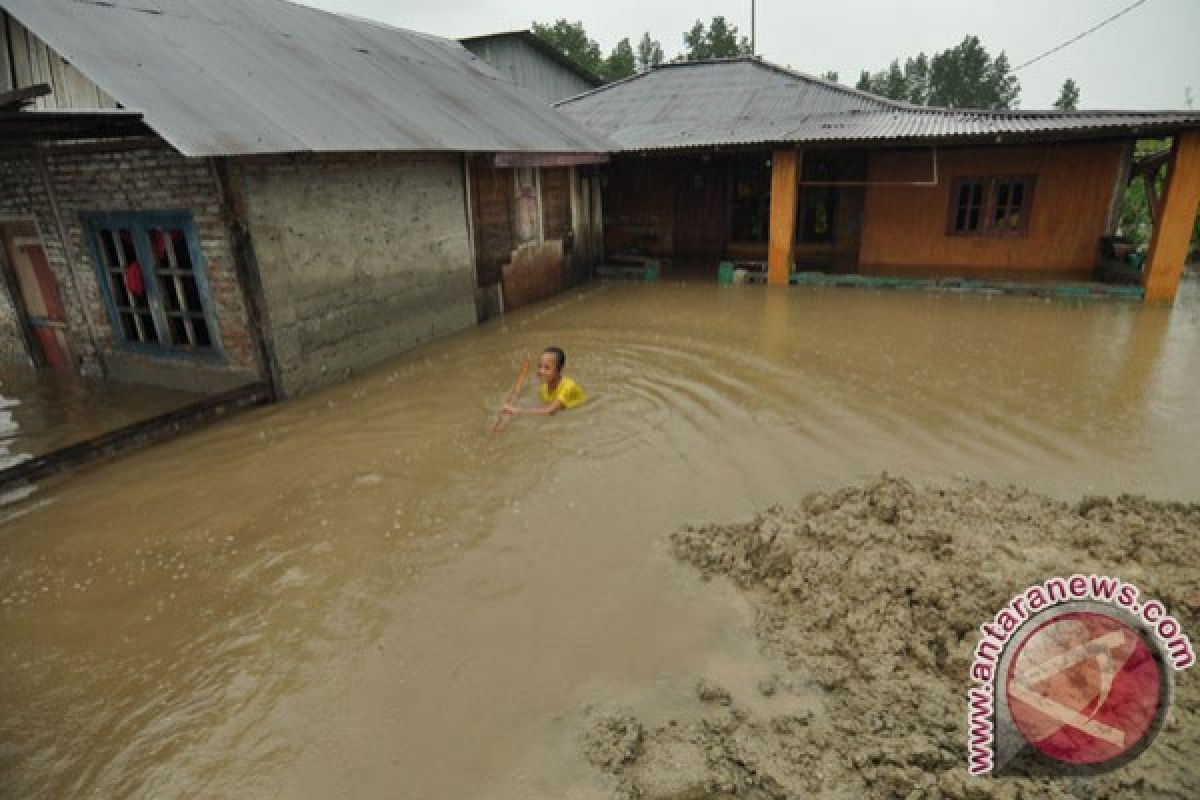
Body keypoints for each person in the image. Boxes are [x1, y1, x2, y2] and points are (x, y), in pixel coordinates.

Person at [503, 346, 585, 417]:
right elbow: (543, 407)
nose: (541, 371)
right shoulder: (543, 387)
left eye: (547, 368)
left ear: (559, 370)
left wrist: (518, 411)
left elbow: (549, 411)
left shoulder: (568, 386)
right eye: (539, 366)